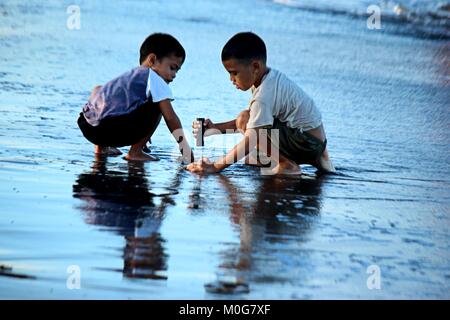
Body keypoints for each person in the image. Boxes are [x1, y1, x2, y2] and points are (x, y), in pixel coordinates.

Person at [187, 32, 335, 174]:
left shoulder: (263, 95)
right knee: (251, 150)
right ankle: (315, 158)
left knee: (244, 119)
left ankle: (287, 164)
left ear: (255, 67)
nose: (231, 79)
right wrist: (215, 128)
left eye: (234, 73)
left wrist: (215, 166)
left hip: (306, 144)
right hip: (314, 143)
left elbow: (251, 133)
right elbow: (256, 120)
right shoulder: (269, 79)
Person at [77, 33, 193, 163]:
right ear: (152, 60)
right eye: (172, 68)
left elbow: (99, 92)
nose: (174, 75)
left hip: (88, 126)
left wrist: (141, 127)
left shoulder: (130, 77)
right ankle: (136, 152)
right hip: (110, 129)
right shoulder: (155, 80)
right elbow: (171, 118)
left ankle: (100, 148)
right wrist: (185, 148)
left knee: (99, 89)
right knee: (160, 104)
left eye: (177, 71)